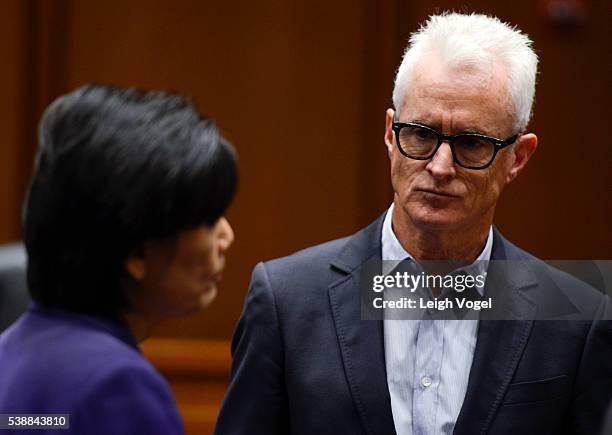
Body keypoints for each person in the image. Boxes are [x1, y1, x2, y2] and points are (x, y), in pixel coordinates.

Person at [214, 13, 611, 435]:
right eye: (421, 134)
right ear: (390, 133)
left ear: (518, 157)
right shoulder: (286, 300)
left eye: (472, 143)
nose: (440, 166)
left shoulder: (577, 317)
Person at [0, 85, 237, 434]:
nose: (226, 236)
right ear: (138, 253)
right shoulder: (117, 386)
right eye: (208, 220)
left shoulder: (10, 351)